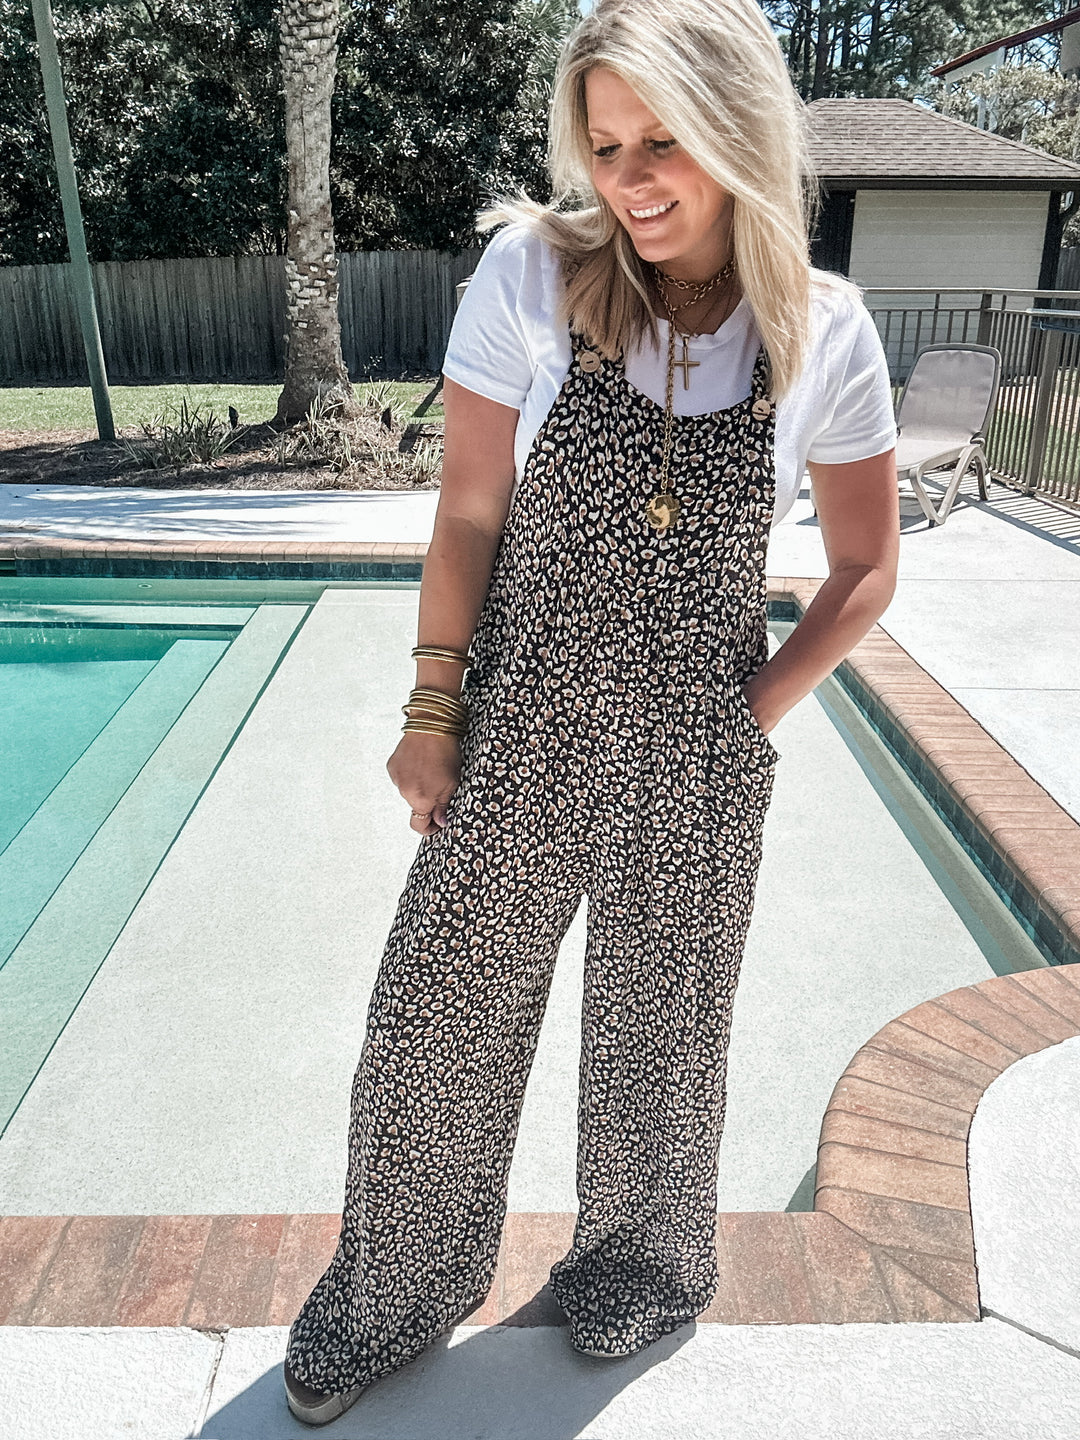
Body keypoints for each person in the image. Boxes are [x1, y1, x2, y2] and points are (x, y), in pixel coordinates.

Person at [284, 0, 899, 1422]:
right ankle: (397, 1285)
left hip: (699, 747)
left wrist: (745, 716)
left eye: (661, 141)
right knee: (441, 1016)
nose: (630, 180)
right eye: (606, 146)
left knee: (661, 1033)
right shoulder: (532, 274)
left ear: (738, 129)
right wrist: (432, 709)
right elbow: (467, 516)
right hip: (523, 720)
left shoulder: (826, 327)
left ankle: (641, 1263)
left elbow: (866, 569)